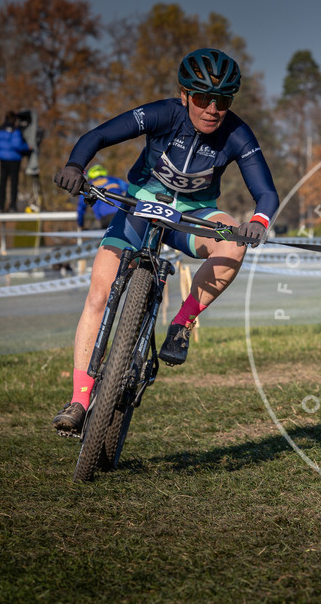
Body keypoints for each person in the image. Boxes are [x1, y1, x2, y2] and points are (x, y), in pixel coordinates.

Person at [50, 48, 279, 436]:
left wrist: (258, 220)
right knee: (97, 295)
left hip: (192, 216)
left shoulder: (238, 133)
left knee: (234, 243)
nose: (212, 109)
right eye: (203, 98)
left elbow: (266, 193)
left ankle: (182, 323)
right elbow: (99, 134)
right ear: (185, 94)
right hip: (140, 208)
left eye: (222, 101)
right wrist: (76, 165)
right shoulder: (163, 113)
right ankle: (80, 400)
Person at [0, 111, 31, 212]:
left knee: (2, 183)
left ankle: (0, 207)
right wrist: (27, 147)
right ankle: (12, 206)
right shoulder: (15, 131)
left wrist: (1, 150)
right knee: (14, 183)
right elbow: (18, 145)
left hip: (1, 159)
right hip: (14, 159)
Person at [76, 165, 128, 229]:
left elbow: (81, 208)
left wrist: (80, 225)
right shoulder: (114, 180)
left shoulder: (88, 187)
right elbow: (130, 191)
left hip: (105, 218)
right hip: (121, 213)